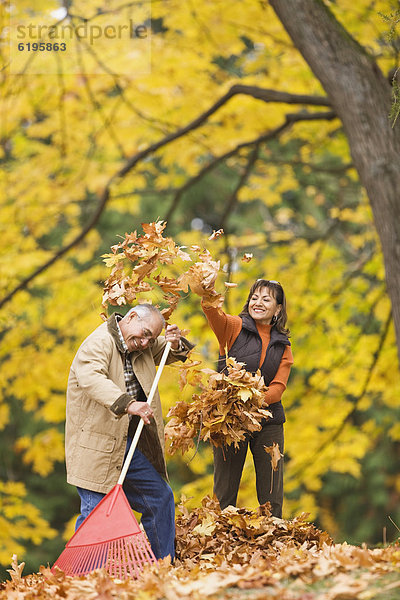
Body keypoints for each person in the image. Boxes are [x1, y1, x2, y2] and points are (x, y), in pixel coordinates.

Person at [65, 303, 193, 560]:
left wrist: (175, 342)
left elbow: (170, 352)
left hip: (127, 445)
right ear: (131, 316)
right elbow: (91, 378)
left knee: (160, 498)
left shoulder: (140, 344)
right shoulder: (98, 343)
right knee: (95, 513)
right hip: (96, 447)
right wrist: (129, 404)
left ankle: (163, 566)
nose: (145, 343)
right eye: (144, 333)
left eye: (151, 338)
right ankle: (83, 582)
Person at [200, 279, 293, 517]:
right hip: (230, 420)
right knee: (225, 491)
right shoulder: (234, 326)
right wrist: (207, 289)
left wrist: (254, 400)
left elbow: (279, 386)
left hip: (269, 421)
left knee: (272, 493)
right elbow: (213, 313)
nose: (258, 303)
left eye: (266, 299)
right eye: (254, 297)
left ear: (278, 308)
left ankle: (274, 544)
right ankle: (218, 545)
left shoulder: (283, 345)